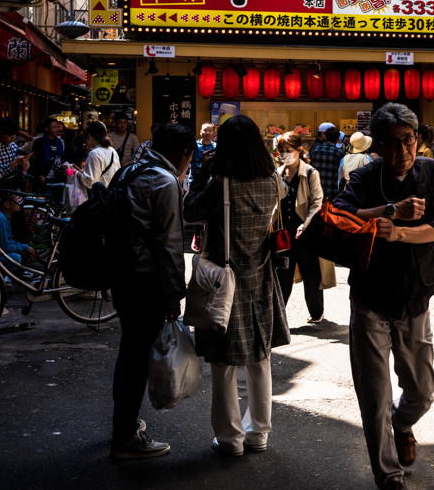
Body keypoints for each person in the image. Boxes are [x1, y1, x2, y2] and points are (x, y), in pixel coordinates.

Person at [335, 103, 434, 490]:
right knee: (374, 394)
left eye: (408, 141)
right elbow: (338, 218)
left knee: (423, 389)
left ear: (418, 140)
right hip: (370, 297)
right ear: (378, 147)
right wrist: (389, 211)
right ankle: (388, 475)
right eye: (392, 144)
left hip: (414, 295)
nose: (402, 152)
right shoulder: (364, 178)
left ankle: (402, 423)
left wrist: (397, 232)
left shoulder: (430, 171)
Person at [184, 115, 285, 457]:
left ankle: (229, 439)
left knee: (223, 362)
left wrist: (200, 174)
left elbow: (190, 210)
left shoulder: (220, 182)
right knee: (260, 356)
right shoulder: (273, 179)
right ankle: (259, 432)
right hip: (260, 276)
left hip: (223, 281)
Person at [109, 122, 194, 460]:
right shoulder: (165, 180)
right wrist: (175, 295)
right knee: (136, 358)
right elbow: (170, 244)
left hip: (121, 276)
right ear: (181, 154)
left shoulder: (129, 172)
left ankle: (124, 424)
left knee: (129, 352)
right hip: (146, 281)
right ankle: (125, 437)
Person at [275, 131, 326, 325]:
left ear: (299, 150)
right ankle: (278, 317)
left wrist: (306, 224)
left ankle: (316, 312)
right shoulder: (278, 173)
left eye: (288, 150)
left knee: (311, 274)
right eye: (281, 150)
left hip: (306, 232)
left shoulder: (311, 173)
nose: (284, 154)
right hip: (284, 233)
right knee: (282, 276)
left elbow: (317, 202)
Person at [186, 122, 217, 252]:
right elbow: (187, 162)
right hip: (196, 182)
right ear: (200, 132)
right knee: (196, 208)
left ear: (214, 133)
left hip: (212, 182)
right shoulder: (194, 146)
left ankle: (211, 235)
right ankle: (197, 234)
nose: (208, 133)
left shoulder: (216, 147)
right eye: (205, 130)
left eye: (210, 131)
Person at [73, 121, 120, 193]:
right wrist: (82, 171)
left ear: (89, 136)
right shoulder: (112, 150)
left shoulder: (94, 153)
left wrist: (75, 172)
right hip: (111, 194)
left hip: (101, 196)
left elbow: (90, 182)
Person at [0, 193, 37, 266]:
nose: (19, 203)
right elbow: (4, 246)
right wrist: (25, 248)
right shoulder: (2, 219)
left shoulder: (6, 217)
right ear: (7, 205)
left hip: (1, 250)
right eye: (17, 200)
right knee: (16, 258)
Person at [28, 117, 68, 197]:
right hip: (45, 177)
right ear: (46, 129)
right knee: (45, 200)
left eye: (57, 127)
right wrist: (40, 175)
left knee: (58, 201)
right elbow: (34, 161)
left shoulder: (60, 142)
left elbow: (62, 158)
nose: (57, 129)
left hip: (58, 176)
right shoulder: (39, 142)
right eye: (54, 127)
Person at [310, 122, 345, 204]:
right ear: (337, 139)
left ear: (325, 136)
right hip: (333, 192)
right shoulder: (339, 153)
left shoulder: (315, 151)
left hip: (316, 191)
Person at [0, 117, 31, 189]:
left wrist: (25, 163)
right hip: (0, 191)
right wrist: (13, 164)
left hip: (14, 188)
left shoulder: (13, 146)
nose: (12, 138)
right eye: (9, 135)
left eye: (14, 134)